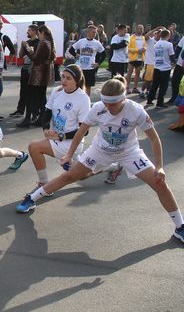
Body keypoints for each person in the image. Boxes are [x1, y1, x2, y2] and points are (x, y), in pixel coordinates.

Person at [15, 78, 184, 244]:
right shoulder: (98, 108)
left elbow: (154, 139)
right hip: (100, 150)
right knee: (69, 176)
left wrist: (160, 167)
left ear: (123, 99)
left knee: (159, 183)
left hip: (129, 153)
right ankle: (31, 198)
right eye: (105, 103)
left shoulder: (136, 111)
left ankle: (180, 227)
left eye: (112, 104)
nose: (108, 107)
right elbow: (81, 132)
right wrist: (69, 155)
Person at [24, 64, 90, 191]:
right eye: (63, 76)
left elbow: (84, 131)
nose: (64, 80)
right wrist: (46, 129)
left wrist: (62, 135)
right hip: (56, 138)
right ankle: (112, 167)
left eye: (68, 78)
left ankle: (44, 184)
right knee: (80, 175)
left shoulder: (83, 98)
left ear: (77, 81)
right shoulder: (57, 91)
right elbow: (47, 113)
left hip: (71, 143)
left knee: (34, 147)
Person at [18, 24, 56, 127]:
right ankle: (42, 118)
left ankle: (29, 119)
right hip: (44, 73)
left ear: (42, 33)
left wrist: (28, 48)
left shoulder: (43, 43)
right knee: (41, 97)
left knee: (31, 96)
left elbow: (35, 59)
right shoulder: (50, 43)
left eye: (39, 33)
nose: (39, 35)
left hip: (38, 74)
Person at [67, 25, 106, 96]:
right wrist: (76, 55)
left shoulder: (97, 43)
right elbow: (71, 50)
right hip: (81, 67)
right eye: (93, 32)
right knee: (79, 85)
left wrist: (98, 63)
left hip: (90, 68)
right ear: (88, 32)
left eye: (95, 32)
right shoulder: (81, 41)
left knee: (88, 86)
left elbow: (103, 54)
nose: (95, 34)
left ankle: (87, 100)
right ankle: (79, 99)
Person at [11, 25, 39, 116]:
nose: (27, 32)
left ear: (34, 31)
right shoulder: (27, 42)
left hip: (33, 69)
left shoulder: (38, 43)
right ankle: (20, 110)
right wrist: (22, 46)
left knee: (32, 92)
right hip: (25, 68)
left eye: (29, 30)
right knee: (23, 90)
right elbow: (20, 55)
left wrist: (27, 47)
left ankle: (34, 112)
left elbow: (35, 56)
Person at [147, 29, 175, 108]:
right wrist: (174, 63)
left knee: (154, 85)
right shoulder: (169, 44)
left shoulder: (156, 44)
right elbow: (172, 56)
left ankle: (149, 100)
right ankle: (159, 103)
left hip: (157, 67)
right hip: (165, 68)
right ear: (168, 35)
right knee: (163, 86)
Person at [141, 27, 163, 100]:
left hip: (157, 63)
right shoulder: (150, 40)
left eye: (161, 34)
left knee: (153, 80)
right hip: (149, 62)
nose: (160, 35)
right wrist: (156, 29)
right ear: (156, 33)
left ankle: (148, 91)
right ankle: (142, 92)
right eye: (159, 33)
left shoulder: (161, 42)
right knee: (147, 79)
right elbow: (146, 36)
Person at [125, 24, 146, 94]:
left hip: (140, 58)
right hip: (132, 58)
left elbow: (145, 46)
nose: (141, 30)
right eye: (140, 28)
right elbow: (128, 47)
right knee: (129, 73)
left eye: (142, 29)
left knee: (137, 73)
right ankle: (127, 87)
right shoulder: (131, 37)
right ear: (136, 29)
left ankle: (135, 87)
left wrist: (144, 49)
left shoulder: (143, 37)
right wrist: (137, 50)